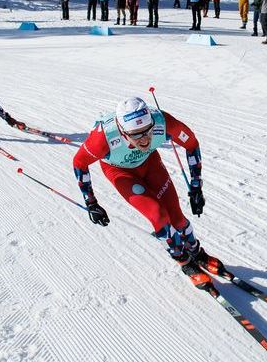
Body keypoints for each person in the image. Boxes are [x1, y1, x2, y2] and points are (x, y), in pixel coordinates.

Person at [72, 97, 220, 289]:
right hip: (120, 172)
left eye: (148, 131)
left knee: (177, 218)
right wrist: (91, 202)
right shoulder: (103, 138)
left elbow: (191, 144)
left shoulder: (162, 122)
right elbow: (79, 163)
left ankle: (197, 253)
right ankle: (185, 263)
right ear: (123, 132)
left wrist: (196, 186)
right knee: (158, 215)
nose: (144, 139)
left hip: (150, 164)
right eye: (135, 134)